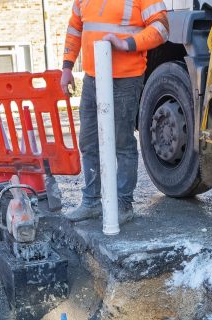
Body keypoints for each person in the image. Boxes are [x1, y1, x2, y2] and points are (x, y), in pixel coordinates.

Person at [60, 0, 170, 225]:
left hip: (126, 79)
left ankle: (123, 204)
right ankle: (91, 202)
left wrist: (126, 43)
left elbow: (161, 28)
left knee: (122, 143)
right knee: (89, 141)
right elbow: (75, 28)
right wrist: (67, 67)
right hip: (93, 77)